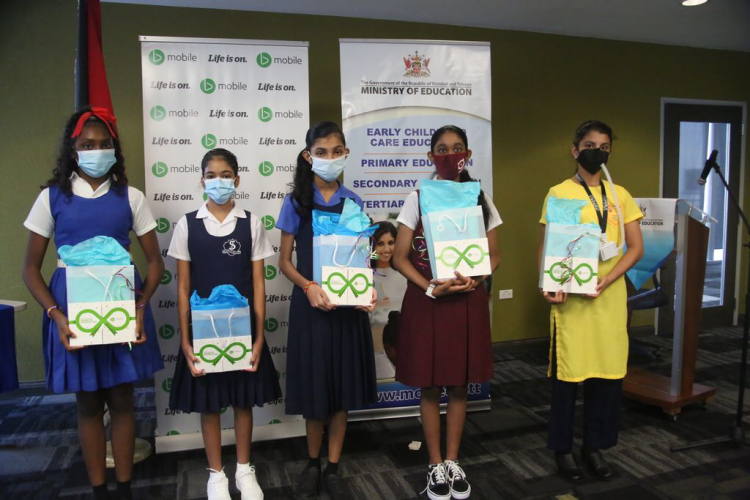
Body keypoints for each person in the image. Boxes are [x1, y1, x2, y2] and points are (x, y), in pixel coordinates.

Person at [22, 107, 164, 500]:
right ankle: (99, 489)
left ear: (115, 149)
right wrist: (56, 316)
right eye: (88, 145)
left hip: (120, 307)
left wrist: (139, 309)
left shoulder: (130, 197)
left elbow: (155, 262)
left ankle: (123, 488)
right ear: (73, 148)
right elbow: (30, 270)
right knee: (87, 401)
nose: (96, 151)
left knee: (122, 397)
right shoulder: (51, 198)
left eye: (104, 145)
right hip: (73, 310)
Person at [393, 125, 501, 500]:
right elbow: (398, 256)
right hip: (429, 300)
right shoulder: (418, 195)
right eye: (442, 149)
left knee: (459, 384)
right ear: (430, 157)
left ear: (467, 155)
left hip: (467, 300)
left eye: (457, 149)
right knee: (430, 383)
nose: (449, 155)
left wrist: (477, 279)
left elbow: (494, 254)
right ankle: (434, 464)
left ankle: (454, 460)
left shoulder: (479, 196)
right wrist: (428, 286)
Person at [167, 148, 282, 500]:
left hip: (242, 328)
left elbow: (259, 284)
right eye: (212, 175)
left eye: (226, 174)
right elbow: (183, 285)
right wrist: (185, 341)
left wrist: (259, 336)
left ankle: (244, 470)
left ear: (237, 179)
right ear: (202, 180)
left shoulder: (252, 223)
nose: (219, 181)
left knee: (242, 401)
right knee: (209, 403)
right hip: (202, 330)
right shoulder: (188, 223)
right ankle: (216, 474)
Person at [277, 121, 377, 500]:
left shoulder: (354, 202)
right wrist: (309, 287)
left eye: (337, 151)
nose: (330, 158)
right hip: (312, 309)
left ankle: (334, 466)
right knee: (317, 390)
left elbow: (361, 259)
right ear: (308, 156)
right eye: (322, 152)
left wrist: (368, 290)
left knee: (342, 388)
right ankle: (313, 463)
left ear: (346, 153)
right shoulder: (296, 202)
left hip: (348, 310)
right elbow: (285, 261)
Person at [539, 120, 644, 482]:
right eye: (589, 144)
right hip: (571, 299)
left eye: (603, 146)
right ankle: (563, 449)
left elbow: (635, 248)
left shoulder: (621, 195)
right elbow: (549, 245)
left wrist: (608, 279)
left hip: (608, 297)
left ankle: (595, 446)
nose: (596, 150)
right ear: (575, 150)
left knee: (607, 376)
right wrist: (547, 284)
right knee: (568, 378)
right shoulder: (558, 192)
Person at [370, 222, 407, 380]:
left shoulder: (404, 277)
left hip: (399, 350)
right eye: (380, 244)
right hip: (372, 349)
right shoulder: (364, 278)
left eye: (391, 243)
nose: (386, 249)